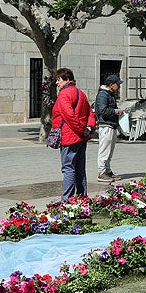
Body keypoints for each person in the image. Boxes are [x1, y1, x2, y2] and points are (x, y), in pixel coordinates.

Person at [52, 68, 92, 200]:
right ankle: (82, 198)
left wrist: (81, 129)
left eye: (59, 80)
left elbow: (69, 116)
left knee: (68, 168)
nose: (57, 83)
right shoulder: (80, 93)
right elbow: (90, 113)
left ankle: (67, 200)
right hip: (81, 138)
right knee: (80, 169)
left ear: (67, 79)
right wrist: (89, 128)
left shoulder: (64, 95)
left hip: (70, 138)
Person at [95, 74, 125, 183]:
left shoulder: (109, 94)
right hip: (106, 125)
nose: (119, 87)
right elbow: (103, 110)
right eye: (118, 84)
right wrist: (116, 111)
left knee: (109, 151)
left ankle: (107, 171)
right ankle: (102, 173)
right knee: (104, 151)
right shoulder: (103, 95)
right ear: (111, 85)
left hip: (111, 125)